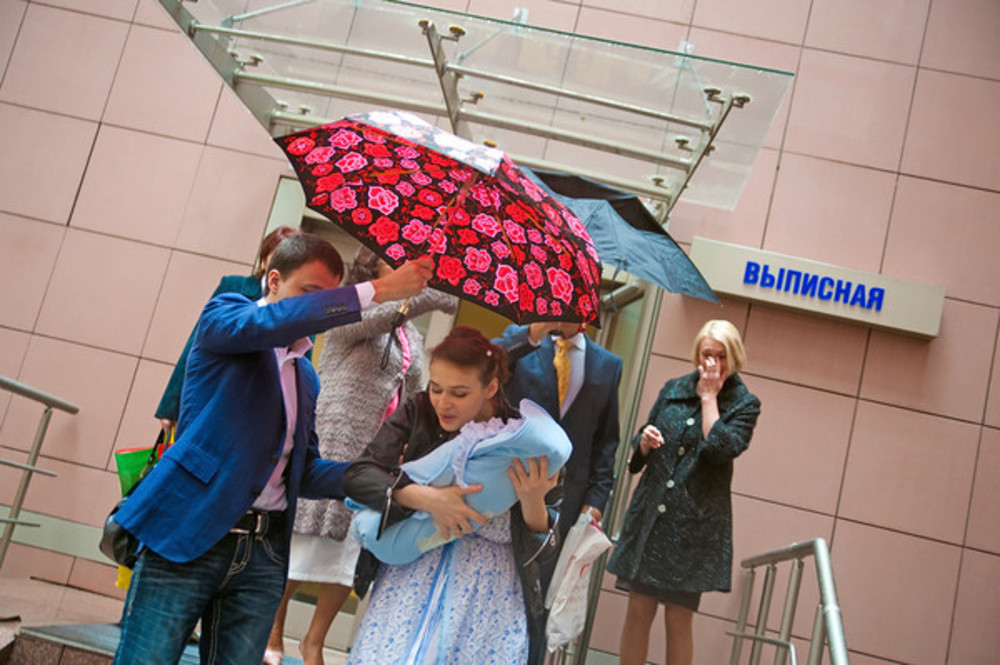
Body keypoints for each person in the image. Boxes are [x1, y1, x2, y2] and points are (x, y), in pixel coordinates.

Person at [111, 234, 432, 665]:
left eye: (327, 299)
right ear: (274, 281)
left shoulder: (305, 376)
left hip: (262, 554)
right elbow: (268, 324)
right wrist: (380, 291)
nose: (316, 310)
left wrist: (384, 479)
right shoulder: (225, 318)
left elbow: (304, 471)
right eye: (309, 294)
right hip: (189, 532)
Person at [264, 247, 457, 665]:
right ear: (376, 269)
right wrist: (434, 292)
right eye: (401, 263)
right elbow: (387, 314)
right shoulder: (346, 312)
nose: (411, 271)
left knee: (347, 556)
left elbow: (416, 390)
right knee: (302, 545)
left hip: (375, 456)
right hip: (333, 445)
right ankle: (273, 631)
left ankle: (313, 641)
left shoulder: (411, 334)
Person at [343, 326, 562, 664]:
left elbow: (545, 548)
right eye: (436, 388)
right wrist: (428, 498)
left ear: (490, 387)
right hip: (410, 574)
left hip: (487, 592)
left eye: (459, 393)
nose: (443, 403)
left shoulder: (524, 438)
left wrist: (532, 501)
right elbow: (359, 475)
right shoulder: (419, 410)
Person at [606, 319, 761, 665]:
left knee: (678, 618)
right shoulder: (673, 388)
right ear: (697, 355)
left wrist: (709, 398)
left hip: (693, 530)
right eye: (707, 354)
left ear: (734, 358)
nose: (713, 364)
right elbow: (637, 453)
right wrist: (644, 442)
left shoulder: (745, 404)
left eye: (721, 356)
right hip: (651, 521)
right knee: (638, 609)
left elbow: (720, 449)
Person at [155, 225, 300, 435]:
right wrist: (171, 405)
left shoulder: (299, 308)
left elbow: (298, 367)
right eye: (277, 257)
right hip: (210, 396)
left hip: (254, 414)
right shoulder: (234, 287)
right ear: (264, 259)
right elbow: (195, 343)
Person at [497, 322, 622, 538]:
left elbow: (606, 441)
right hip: (509, 481)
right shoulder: (522, 341)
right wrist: (531, 335)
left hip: (568, 499)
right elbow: (483, 363)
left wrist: (597, 501)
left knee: (549, 570)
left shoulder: (609, 365)